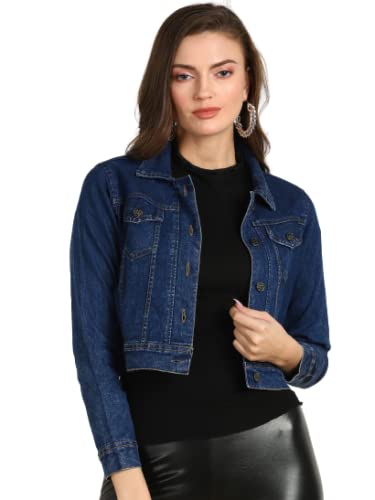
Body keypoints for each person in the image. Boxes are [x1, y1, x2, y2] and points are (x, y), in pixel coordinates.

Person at [69, 3, 331, 499]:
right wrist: (125, 473)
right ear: (163, 86)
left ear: (247, 82)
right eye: (184, 75)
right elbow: (93, 348)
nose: (204, 92)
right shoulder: (114, 188)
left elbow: (314, 354)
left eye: (222, 72)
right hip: (151, 464)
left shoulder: (291, 208)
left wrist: (287, 352)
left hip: (273, 458)